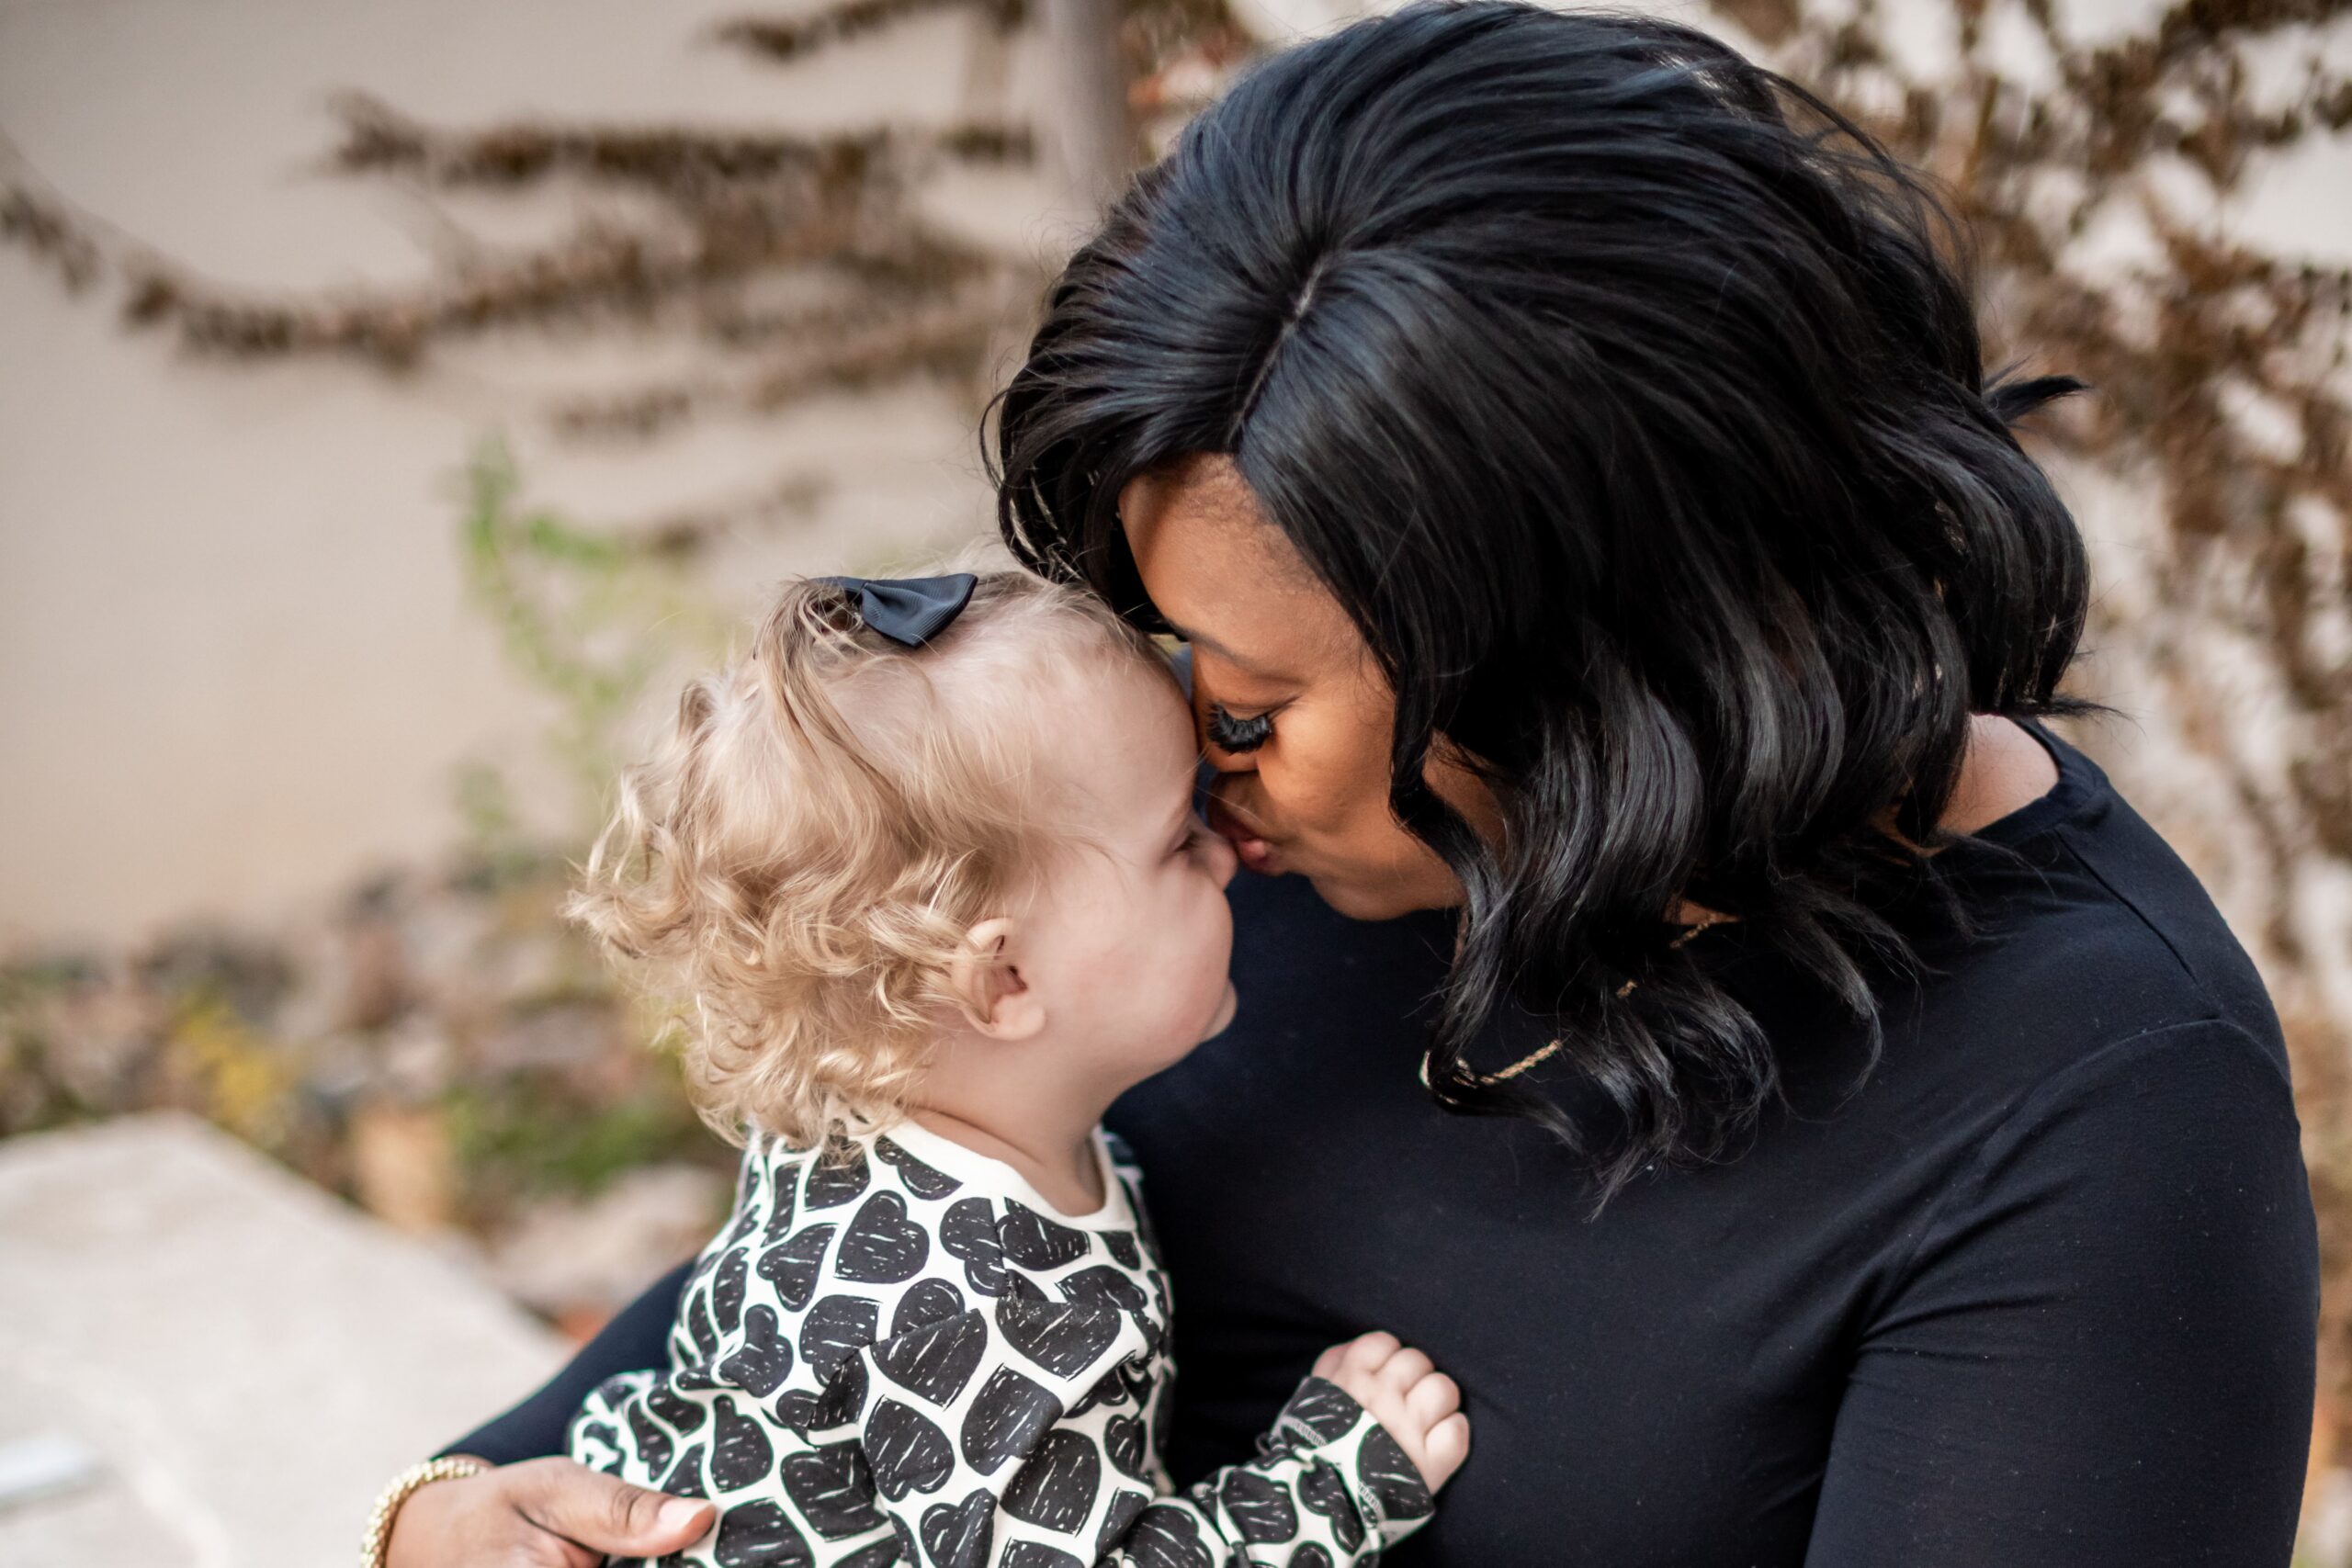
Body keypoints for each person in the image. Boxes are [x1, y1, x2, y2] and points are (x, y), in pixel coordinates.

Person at [379, 5, 2320, 1565]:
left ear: (1596, 677)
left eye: (1244, 711)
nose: (1203, 792)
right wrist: (454, 1511)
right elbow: (833, 1285)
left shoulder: (2095, 1111)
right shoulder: (1219, 881)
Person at [551, 569, 1459, 1568]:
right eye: (1176, 839)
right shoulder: (978, 1309)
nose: (1228, 853)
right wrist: (1328, 1485)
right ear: (1003, 980)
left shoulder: (879, 1134)